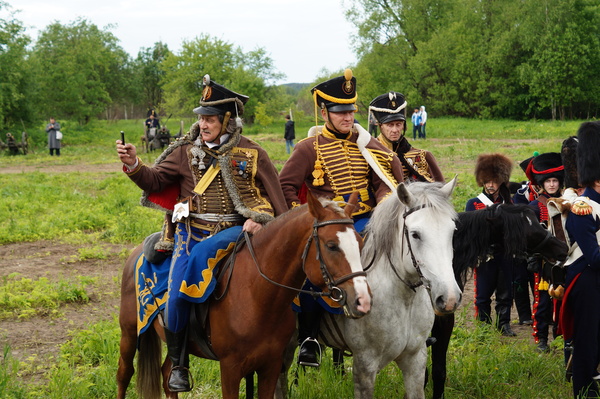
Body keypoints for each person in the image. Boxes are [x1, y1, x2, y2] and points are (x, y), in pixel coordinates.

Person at [116, 75, 288, 392]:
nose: (203, 123)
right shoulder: (183, 151)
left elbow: (276, 200)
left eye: (210, 118)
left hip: (239, 234)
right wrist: (134, 164)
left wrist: (261, 218)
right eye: (201, 117)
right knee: (179, 291)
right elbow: (154, 181)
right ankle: (179, 362)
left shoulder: (253, 153)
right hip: (190, 234)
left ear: (227, 120)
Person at [279, 69, 404, 367]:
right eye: (340, 112)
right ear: (324, 112)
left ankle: (408, 323)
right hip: (326, 223)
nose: (348, 118)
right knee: (309, 272)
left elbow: (384, 181)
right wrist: (306, 215)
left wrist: (385, 203)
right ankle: (310, 337)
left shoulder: (368, 145)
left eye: (350, 111)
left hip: (366, 220)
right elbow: (285, 185)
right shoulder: (308, 148)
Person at [561, 121, 600, 398]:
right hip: (587, 281)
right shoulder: (582, 207)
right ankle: (584, 388)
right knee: (588, 339)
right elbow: (595, 258)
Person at [466, 153, 517, 336]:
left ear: (501, 181)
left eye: (494, 181)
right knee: (483, 295)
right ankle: (483, 327)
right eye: (487, 181)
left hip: (505, 252)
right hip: (484, 255)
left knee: (505, 293)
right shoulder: (473, 204)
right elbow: (470, 233)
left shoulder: (510, 203)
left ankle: (504, 324)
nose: (490, 185)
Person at [527, 152, 564, 352]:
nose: (551, 184)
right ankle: (541, 338)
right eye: (548, 181)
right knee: (542, 303)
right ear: (542, 183)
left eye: (555, 181)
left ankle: (561, 336)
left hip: (565, 260)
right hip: (543, 263)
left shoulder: (569, 203)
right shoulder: (534, 206)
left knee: (564, 300)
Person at [369, 92, 444, 183]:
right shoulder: (370, 153)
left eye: (398, 124)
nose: (395, 130)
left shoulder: (421, 156)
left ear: (404, 126)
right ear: (381, 126)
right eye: (390, 125)